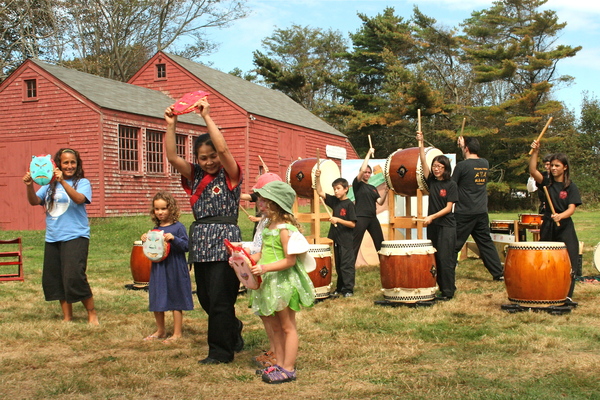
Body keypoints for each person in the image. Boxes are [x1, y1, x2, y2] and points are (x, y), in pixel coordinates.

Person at [164, 97, 243, 365]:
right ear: (196, 159)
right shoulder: (194, 175)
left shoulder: (230, 173)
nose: (209, 162)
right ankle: (233, 329)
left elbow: (224, 150)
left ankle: (220, 353)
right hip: (201, 243)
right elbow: (172, 157)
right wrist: (171, 125)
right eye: (203, 158)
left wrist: (206, 117)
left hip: (225, 243)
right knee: (208, 301)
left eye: (212, 157)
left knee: (221, 300)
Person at [23, 148, 99, 325]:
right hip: (53, 238)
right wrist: (28, 186)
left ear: (77, 164)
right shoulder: (48, 185)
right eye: (66, 162)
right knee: (56, 278)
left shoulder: (82, 182)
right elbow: (35, 201)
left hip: (75, 236)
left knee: (74, 276)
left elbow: (80, 199)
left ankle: (92, 312)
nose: (70, 166)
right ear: (58, 164)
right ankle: (67, 316)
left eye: (73, 162)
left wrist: (63, 182)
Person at [249, 180, 315, 384]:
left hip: (283, 283)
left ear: (275, 204)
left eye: (263, 200)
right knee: (276, 327)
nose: (259, 204)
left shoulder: (285, 229)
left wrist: (264, 268)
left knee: (287, 326)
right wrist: (243, 259)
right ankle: (278, 362)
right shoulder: (269, 226)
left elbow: (290, 260)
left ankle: (289, 368)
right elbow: (261, 253)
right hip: (269, 282)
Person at [241, 172, 283, 370]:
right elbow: (258, 245)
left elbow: (271, 251)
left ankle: (279, 353)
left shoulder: (278, 223)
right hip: (259, 270)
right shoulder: (264, 220)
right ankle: (273, 349)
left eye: (265, 200)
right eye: (259, 199)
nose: (260, 204)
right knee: (265, 314)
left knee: (274, 316)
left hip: (271, 272)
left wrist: (254, 257)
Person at [529, 142, 581, 298]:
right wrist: (535, 152)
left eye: (557, 165)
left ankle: (567, 295)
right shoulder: (546, 181)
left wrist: (561, 215)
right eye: (551, 165)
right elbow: (532, 170)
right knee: (546, 260)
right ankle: (546, 291)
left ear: (565, 167)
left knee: (571, 261)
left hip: (564, 226)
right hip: (548, 225)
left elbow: (571, 208)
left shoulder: (571, 187)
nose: (553, 168)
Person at [141, 191, 193, 343]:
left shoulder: (178, 227)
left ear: (171, 209)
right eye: (157, 209)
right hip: (159, 268)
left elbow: (186, 246)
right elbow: (153, 249)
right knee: (158, 295)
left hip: (175, 267)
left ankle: (177, 333)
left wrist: (174, 239)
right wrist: (146, 239)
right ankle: (160, 330)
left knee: (175, 296)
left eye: (163, 208)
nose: (160, 212)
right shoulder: (155, 229)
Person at [452, 136, 504, 281]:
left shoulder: (461, 166)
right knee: (485, 243)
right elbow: (471, 162)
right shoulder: (484, 163)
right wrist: (464, 145)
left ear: (466, 148)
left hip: (464, 212)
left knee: (454, 243)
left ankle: (447, 269)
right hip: (481, 211)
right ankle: (498, 273)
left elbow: (452, 184)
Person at [416, 132, 459, 300]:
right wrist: (420, 143)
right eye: (435, 166)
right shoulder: (432, 181)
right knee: (435, 257)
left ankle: (449, 291)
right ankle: (442, 287)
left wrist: (432, 217)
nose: (436, 168)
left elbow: (449, 208)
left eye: (440, 166)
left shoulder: (451, 184)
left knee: (445, 258)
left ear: (445, 168)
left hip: (447, 226)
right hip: (433, 225)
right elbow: (423, 161)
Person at [315, 169, 357, 297]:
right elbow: (319, 191)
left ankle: (348, 289)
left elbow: (353, 224)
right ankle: (340, 288)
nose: (336, 191)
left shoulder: (349, 204)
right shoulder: (334, 201)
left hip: (347, 239)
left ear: (345, 189)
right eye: (334, 189)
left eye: (338, 188)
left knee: (346, 265)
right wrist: (318, 178)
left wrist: (338, 219)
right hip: (337, 238)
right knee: (338, 266)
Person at [352, 147, 390, 262]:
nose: (367, 174)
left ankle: (384, 265)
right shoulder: (357, 184)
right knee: (355, 244)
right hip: (361, 217)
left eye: (369, 173)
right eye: (365, 172)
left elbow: (380, 202)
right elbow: (363, 169)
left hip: (372, 218)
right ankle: (349, 267)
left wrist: (386, 193)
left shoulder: (372, 188)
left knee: (380, 242)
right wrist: (368, 153)